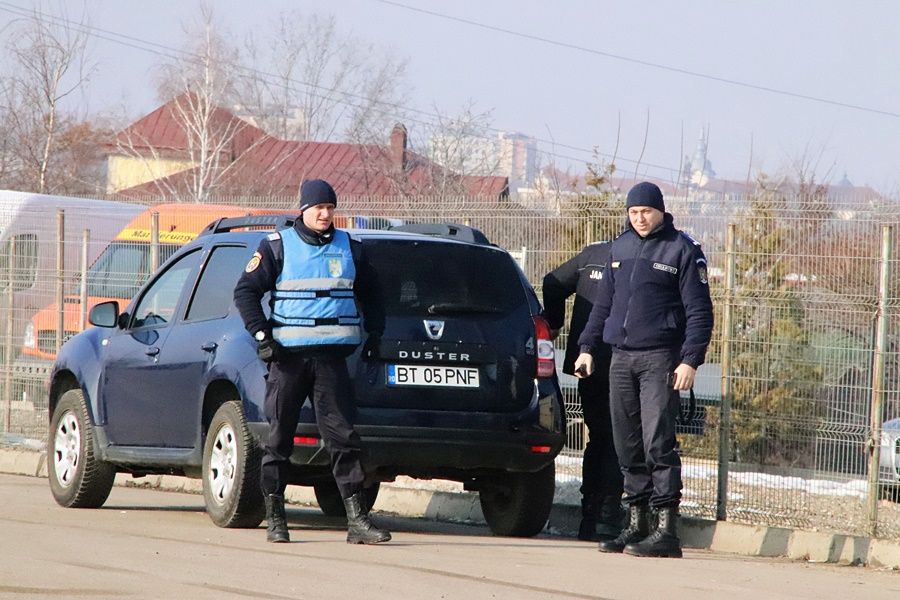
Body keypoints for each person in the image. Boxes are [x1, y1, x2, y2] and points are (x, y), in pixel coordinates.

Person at [234, 179, 390, 545]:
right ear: (302, 209)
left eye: (331, 207)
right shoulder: (276, 247)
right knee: (279, 440)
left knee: (344, 439)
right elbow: (246, 292)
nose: (325, 213)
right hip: (287, 360)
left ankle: (357, 522)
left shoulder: (350, 247)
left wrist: (376, 334)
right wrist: (262, 336)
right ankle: (276, 519)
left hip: (331, 361)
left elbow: (373, 293)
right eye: (319, 207)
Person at [575, 181, 713, 558]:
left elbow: (700, 311)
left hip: (660, 358)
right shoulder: (619, 248)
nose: (639, 218)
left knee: (657, 441)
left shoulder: (682, 249)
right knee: (626, 442)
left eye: (646, 212)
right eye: (634, 212)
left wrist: (690, 359)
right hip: (620, 357)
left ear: (660, 211)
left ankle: (666, 531)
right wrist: (587, 347)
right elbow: (603, 305)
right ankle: (636, 525)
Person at [543, 243, 624, 541]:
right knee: (619, 439)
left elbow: (552, 282)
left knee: (599, 437)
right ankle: (609, 516)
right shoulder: (639, 256)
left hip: (587, 360)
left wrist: (554, 323)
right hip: (624, 360)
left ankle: (590, 517)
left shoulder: (592, 256)